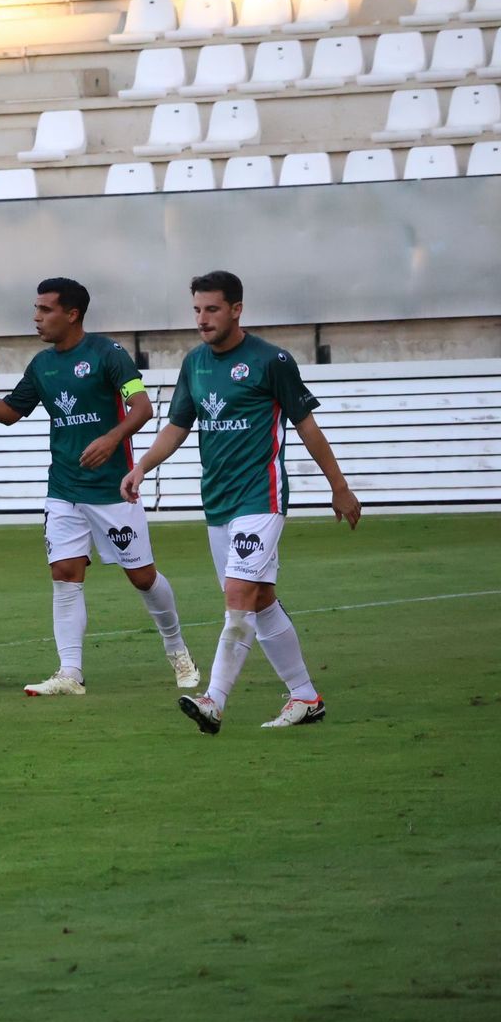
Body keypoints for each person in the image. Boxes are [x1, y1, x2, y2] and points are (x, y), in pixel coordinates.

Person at [0, 278, 199, 696]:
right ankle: (70, 672)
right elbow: (8, 412)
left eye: (45, 310)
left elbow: (143, 407)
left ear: (71, 314)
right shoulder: (42, 365)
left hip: (112, 489)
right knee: (65, 574)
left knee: (142, 577)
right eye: (36, 309)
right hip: (63, 489)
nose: (36, 317)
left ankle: (177, 648)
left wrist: (112, 438)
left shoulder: (107, 354)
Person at [122, 271, 361, 734]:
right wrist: (141, 467)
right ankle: (306, 697)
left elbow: (307, 428)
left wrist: (339, 486)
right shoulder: (194, 363)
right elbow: (176, 427)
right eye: (196, 310)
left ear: (236, 309)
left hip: (261, 496)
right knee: (261, 600)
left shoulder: (271, 360)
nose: (202, 319)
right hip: (218, 501)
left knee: (238, 599)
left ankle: (213, 700)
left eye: (211, 309)